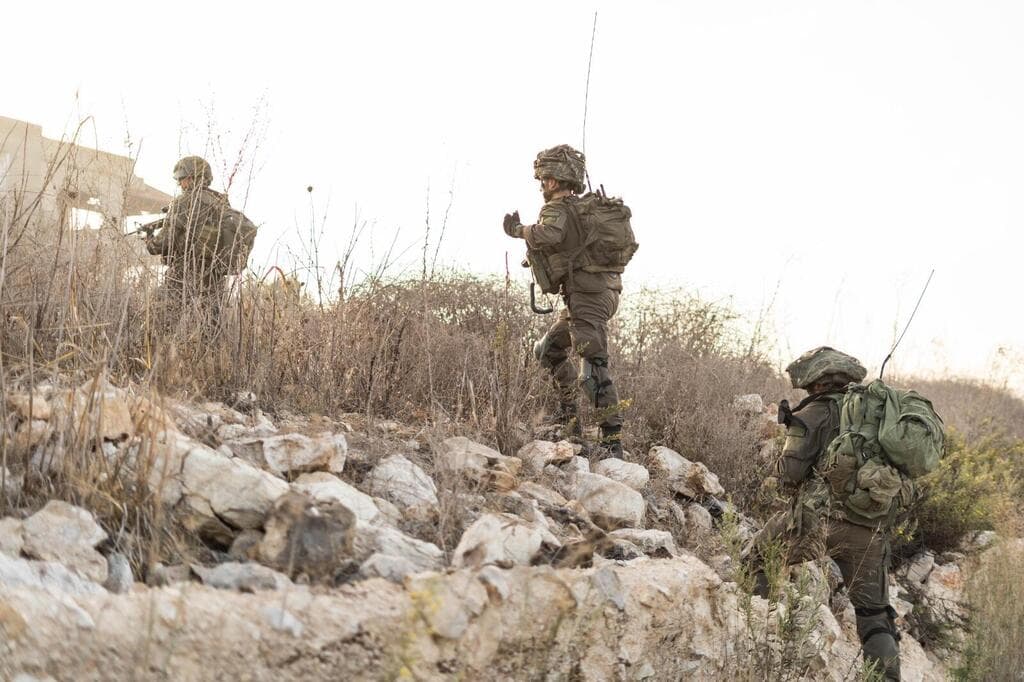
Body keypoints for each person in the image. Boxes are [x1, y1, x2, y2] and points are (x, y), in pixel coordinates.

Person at [746, 347, 903, 680]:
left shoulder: (814, 412)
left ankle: (754, 647)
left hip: (818, 522)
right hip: (869, 531)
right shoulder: (877, 416)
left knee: (756, 559)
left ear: (814, 381)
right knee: (875, 617)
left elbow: (789, 475)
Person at [502, 144, 626, 457]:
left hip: (588, 297)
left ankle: (613, 444)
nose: (541, 185)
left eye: (543, 180)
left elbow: (549, 235)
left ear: (554, 181)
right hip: (595, 294)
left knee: (592, 367)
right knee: (548, 350)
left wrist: (517, 230)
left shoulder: (557, 208)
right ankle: (570, 420)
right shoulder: (580, 208)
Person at [145, 155, 234, 324]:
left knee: (156, 319)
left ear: (192, 177)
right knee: (210, 329)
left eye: (181, 179)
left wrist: (148, 238)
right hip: (214, 279)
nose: (179, 184)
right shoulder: (221, 202)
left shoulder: (183, 202)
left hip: (183, 275)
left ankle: (154, 350)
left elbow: (161, 245)